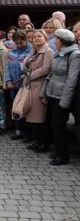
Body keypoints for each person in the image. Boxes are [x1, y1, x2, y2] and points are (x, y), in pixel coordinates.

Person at [41, 29, 80, 165]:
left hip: (62, 96)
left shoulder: (75, 55)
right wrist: (44, 92)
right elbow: (51, 74)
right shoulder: (60, 53)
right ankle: (58, 151)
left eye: (56, 39)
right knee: (54, 124)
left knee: (59, 125)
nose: (54, 41)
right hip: (53, 93)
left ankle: (63, 157)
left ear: (62, 41)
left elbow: (71, 80)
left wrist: (64, 101)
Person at [21, 29, 54, 152]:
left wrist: (30, 75)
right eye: (34, 37)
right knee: (32, 115)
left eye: (39, 36)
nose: (36, 39)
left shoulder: (48, 52)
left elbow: (45, 69)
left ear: (45, 38)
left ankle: (43, 143)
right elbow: (24, 64)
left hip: (40, 87)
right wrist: (32, 51)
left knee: (40, 117)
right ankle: (37, 141)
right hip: (30, 86)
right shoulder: (34, 51)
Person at [5, 30, 32, 140]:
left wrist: (22, 79)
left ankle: (27, 133)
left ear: (26, 40)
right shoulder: (12, 50)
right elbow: (7, 66)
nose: (19, 45)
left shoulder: (30, 50)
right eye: (17, 43)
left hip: (24, 85)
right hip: (13, 85)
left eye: (21, 42)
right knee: (15, 108)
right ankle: (18, 131)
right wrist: (8, 81)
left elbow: (30, 69)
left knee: (24, 109)